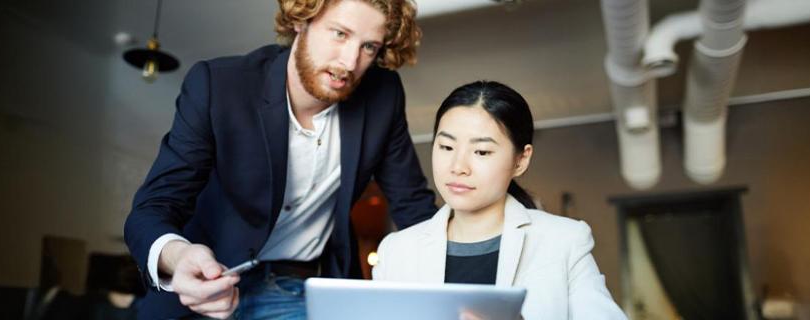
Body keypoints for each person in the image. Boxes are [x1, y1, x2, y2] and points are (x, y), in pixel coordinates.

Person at [123, 0, 436, 318]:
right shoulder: (219, 85)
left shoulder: (383, 95)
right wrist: (179, 256)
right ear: (301, 20)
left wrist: (464, 291)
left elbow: (414, 207)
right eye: (340, 34)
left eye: (369, 46)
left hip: (302, 288)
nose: (350, 61)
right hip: (208, 288)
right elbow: (154, 208)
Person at [372, 81, 627, 320]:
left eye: (481, 151)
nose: (458, 167)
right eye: (446, 147)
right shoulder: (397, 252)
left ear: (521, 160)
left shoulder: (563, 242)